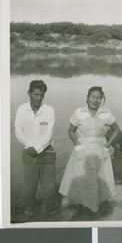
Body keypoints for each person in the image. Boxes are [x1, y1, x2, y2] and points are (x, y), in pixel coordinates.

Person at [59, 86, 120, 213]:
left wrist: (107, 146)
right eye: (93, 97)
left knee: (99, 178)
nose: (95, 100)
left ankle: (95, 204)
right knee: (81, 177)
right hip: (82, 149)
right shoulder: (79, 112)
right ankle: (82, 203)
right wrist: (77, 145)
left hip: (100, 149)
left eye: (98, 97)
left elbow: (116, 130)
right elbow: (71, 130)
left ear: (101, 99)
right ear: (87, 98)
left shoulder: (106, 113)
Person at [15, 80, 56, 218]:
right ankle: (28, 209)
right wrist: (30, 146)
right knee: (29, 184)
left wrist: (37, 148)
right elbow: (18, 131)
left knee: (49, 184)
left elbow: (49, 134)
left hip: (47, 151)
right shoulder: (21, 109)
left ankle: (50, 209)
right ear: (29, 93)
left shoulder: (49, 110)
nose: (39, 98)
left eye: (42, 95)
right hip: (28, 151)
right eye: (36, 94)